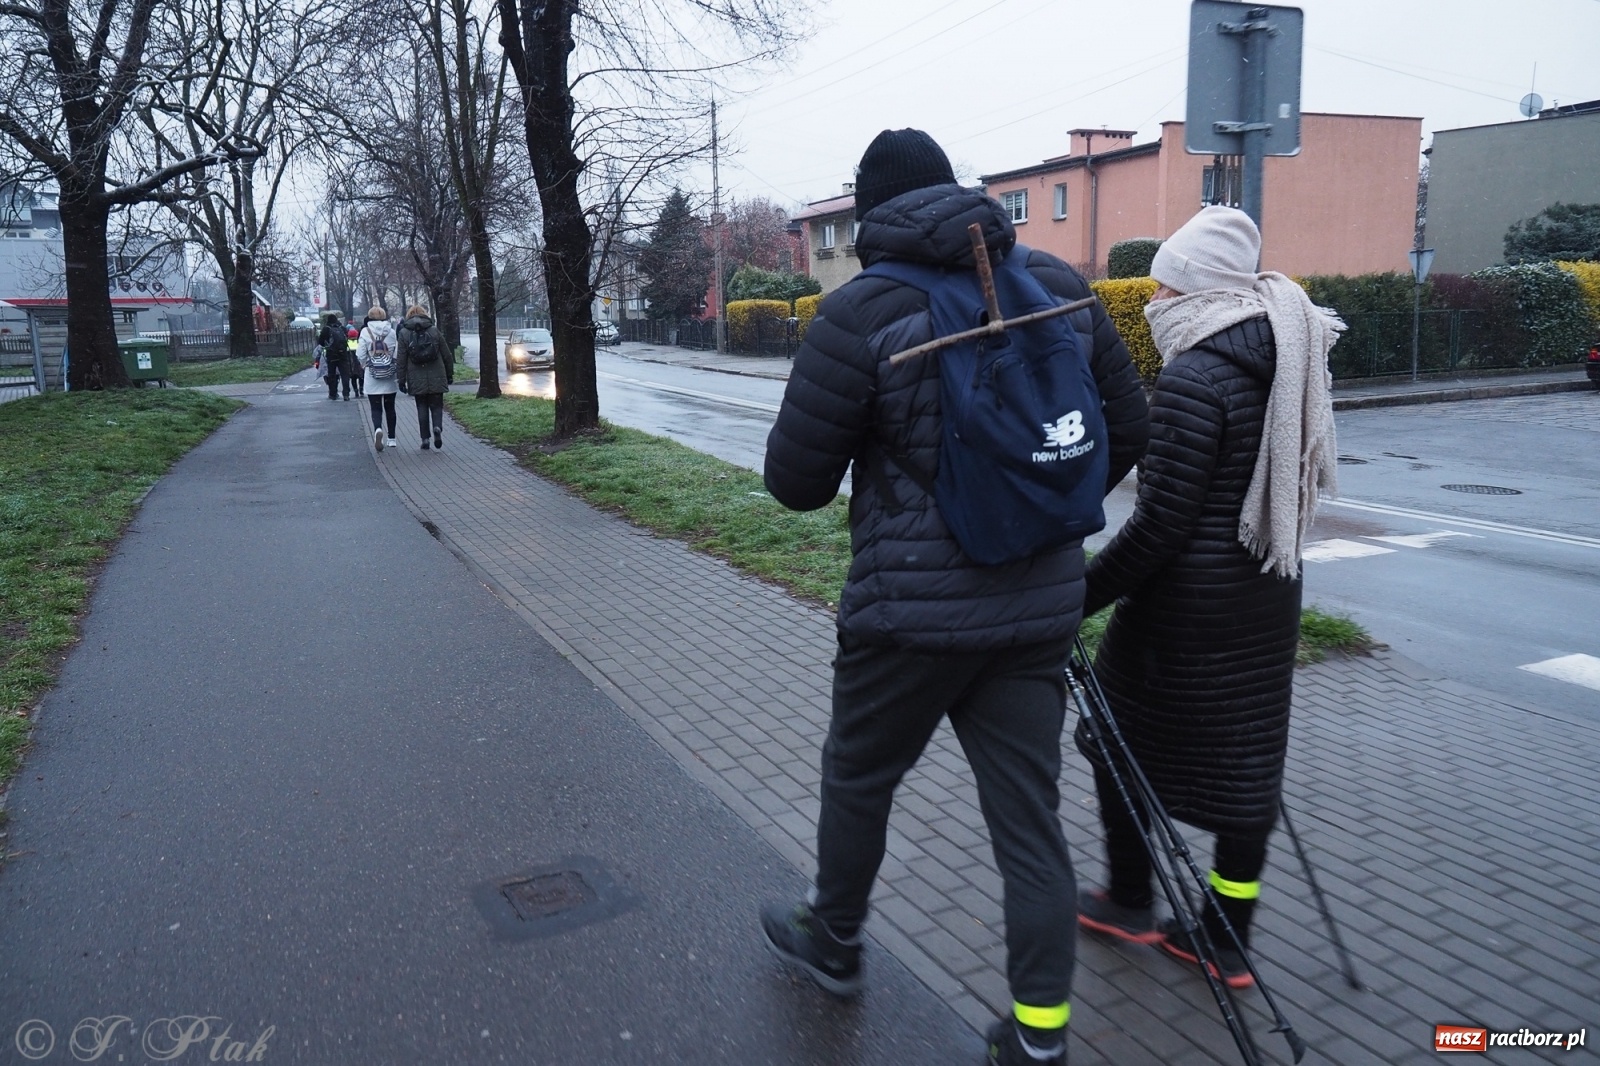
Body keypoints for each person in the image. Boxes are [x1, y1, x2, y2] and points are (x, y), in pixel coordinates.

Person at [759, 128, 1149, 1066]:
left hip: (909, 618)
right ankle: (1041, 1037)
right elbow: (1127, 430)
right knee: (1028, 817)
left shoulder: (859, 313)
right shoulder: (1058, 286)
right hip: (1037, 614)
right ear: (959, 194)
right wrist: (1041, 509)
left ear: (867, 216)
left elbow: (794, 484)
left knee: (860, 777)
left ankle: (836, 942)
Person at [1073, 206, 1340, 990]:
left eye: (1164, 279)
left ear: (1194, 285)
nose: (1154, 295)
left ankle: (1128, 897)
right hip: (1266, 593)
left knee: (1111, 740)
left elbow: (1159, 526)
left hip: (1184, 614)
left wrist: (1079, 595)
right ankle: (1226, 936)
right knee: (1247, 770)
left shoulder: (1198, 373)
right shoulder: (1287, 354)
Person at [396, 304, 452, 450]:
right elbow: (446, 354)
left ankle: (425, 439)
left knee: (421, 406)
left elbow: (401, 359)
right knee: (437, 405)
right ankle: (437, 427)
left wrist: (401, 380)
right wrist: (449, 373)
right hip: (437, 374)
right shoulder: (434, 330)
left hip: (415, 376)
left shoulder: (404, 333)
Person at [356, 307, 401, 451]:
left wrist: (365, 365)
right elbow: (396, 353)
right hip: (389, 374)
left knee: (375, 407)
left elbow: (360, 354)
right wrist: (391, 364)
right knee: (390, 407)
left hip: (372, 374)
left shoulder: (365, 332)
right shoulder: (392, 332)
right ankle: (392, 439)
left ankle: (377, 429)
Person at [317, 313, 350, 400]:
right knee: (345, 374)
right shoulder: (342, 328)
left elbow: (320, 342)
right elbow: (347, 339)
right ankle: (346, 394)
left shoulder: (326, 329)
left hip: (331, 354)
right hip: (343, 354)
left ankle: (333, 393)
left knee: (332, 374)